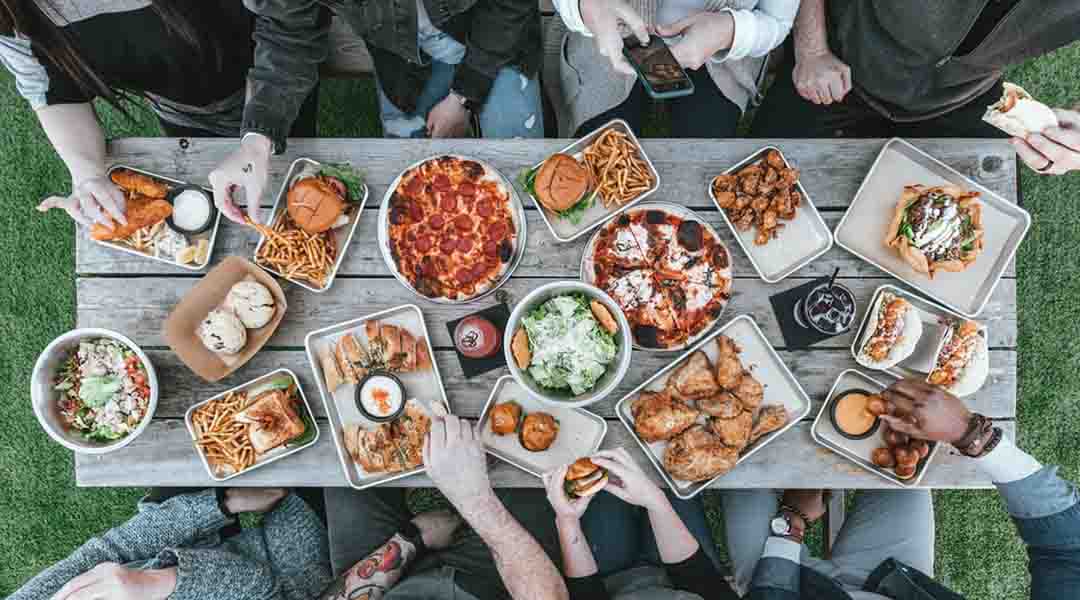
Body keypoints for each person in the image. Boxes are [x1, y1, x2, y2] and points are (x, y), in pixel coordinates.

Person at [722, 378, 1080, 599]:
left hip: (787, 586)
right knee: (904, 465)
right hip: (893, 583)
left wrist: (793, 521)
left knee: (733, 464)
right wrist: (968, 433)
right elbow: (1067, 549)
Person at [211, 0, 544, 225]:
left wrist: (463, 97)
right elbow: (288, 33)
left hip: (497, 42)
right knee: (411, 203)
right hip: (406, 62)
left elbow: (510, 6)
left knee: (526, 185)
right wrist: (258, 138)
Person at [0, 0, 316, 229]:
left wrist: (259, 136)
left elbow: (288, 22)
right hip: (185, 107)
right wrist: (87, 175)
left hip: (269, 73)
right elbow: (53, 89)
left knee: (297, 191)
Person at [751, 1, 1080, 175]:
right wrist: (812, 49)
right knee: (756, 178)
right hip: (844, 60)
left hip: (962, 94)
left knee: (975, 233)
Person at [324, 404, 569, 600]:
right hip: (493, 584)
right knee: (531, 462)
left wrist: (413, 538)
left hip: (383, 585)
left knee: (339, 455)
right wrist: (474, 498)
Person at [7, 488, 332, 600]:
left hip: (204, 544)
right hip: (288, 571)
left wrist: (221, 504)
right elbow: (261, 586)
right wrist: (152, 583)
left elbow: (111, 550)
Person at [548, 0, 797, 138]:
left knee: (703, 162)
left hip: (722, 53)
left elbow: (776, 20)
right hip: (607, 33)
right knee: (599, 154)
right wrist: (586, 7)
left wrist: (729, 31)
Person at [543, 448, 739, 599]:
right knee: (675, 469)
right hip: (684, 576)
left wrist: (567, 520)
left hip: (609, 576)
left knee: (588, 459)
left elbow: (585, 593)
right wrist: (656, 501)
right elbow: (702, 581)